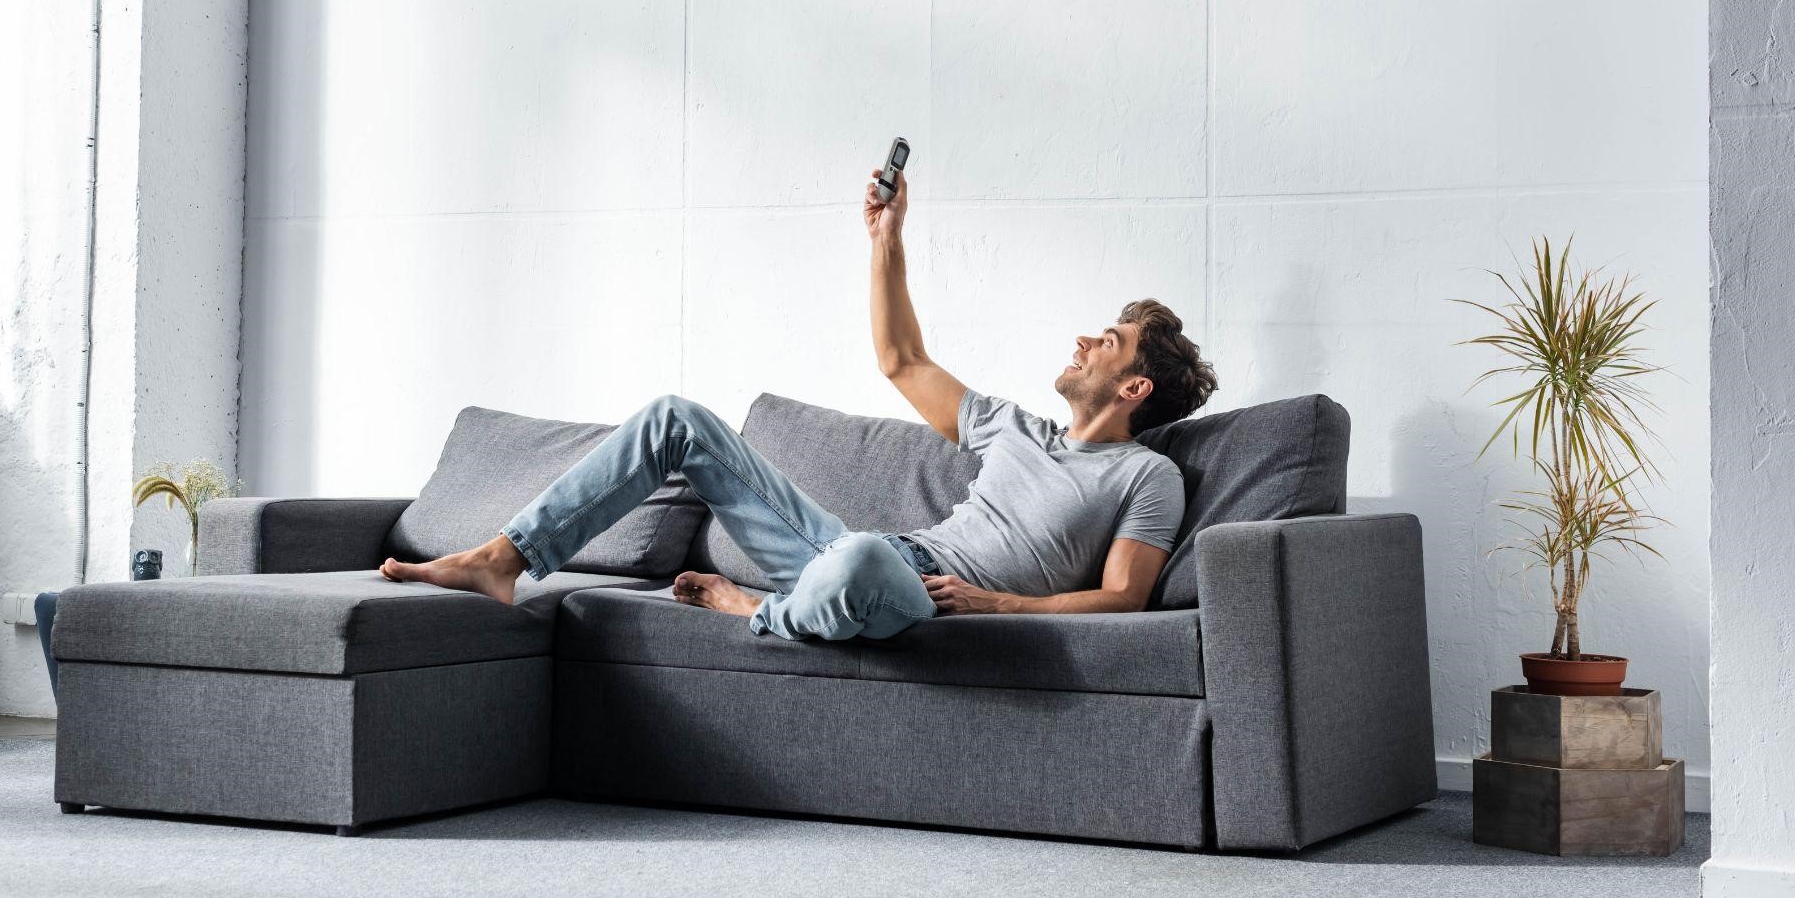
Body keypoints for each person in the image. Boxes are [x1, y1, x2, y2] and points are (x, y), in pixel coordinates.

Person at [380, 164, 1218, 641]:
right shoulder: (1015, 427)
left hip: (922, 596)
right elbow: (902, 358)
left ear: (1134, 387)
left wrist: (1004, 603)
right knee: (678, 420)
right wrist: (887, 241)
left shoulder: (1147, 477)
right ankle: (505, 556)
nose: (1084, 341)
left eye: (1107, 342)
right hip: (872, 550)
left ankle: (759, 612)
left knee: (859, 567)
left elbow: (1125, 598)